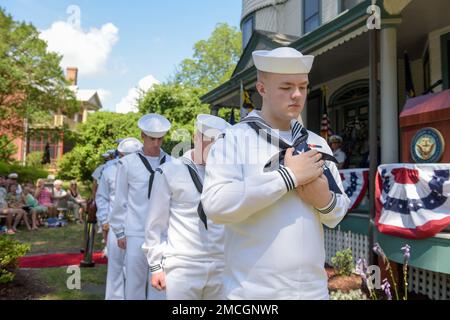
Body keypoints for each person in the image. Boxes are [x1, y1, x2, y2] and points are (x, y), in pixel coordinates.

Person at [201, 47, 351, 300]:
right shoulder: (234, 139)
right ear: (262, 89)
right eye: (286, 87)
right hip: (252, 294)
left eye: (303, 87)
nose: (297, 95)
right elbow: (215, 205)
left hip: (313, 292)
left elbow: (337, 213)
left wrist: (323, 200)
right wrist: (286, 178)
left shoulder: (317, 143)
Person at [143, 114, 230, 300]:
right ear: (195, 137)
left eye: (219, 142)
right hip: (183, 265)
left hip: (222, 264)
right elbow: (154, 223)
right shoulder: (169, 171)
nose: (214, 147)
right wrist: (156, 266)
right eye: (209, 141)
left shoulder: (228, 174)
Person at [110, 114, 171, 300]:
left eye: (160, 138)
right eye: (152, 138)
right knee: (134, 286)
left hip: (163, 234)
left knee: (161, 286)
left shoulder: (172, 163)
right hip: (136, 232)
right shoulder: (127, 163)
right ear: (142, 135)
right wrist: (119, 231)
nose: (156, 143)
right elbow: (120, 200)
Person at [97, 137, 143, 300]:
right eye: (126, 155)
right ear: (120, 154)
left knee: (135, 270)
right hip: (115, 226)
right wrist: (104, 221)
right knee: (115, 268)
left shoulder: (146, 171)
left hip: (137, 227)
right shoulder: (109, 171)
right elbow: (102, 198)